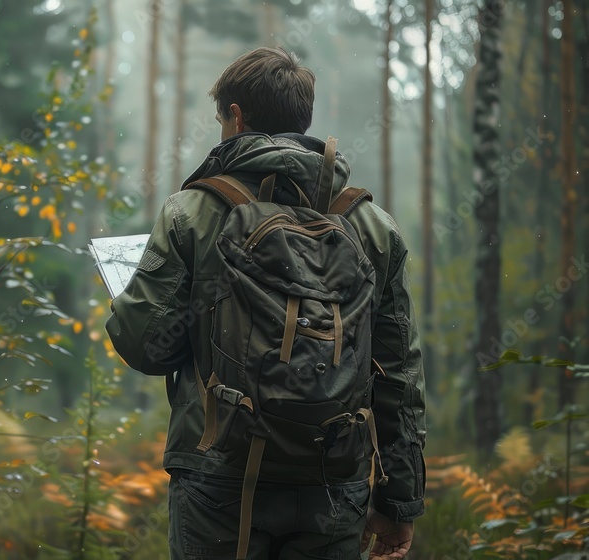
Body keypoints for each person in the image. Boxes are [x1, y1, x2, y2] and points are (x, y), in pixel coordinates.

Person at [104, 47, 426, 560]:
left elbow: (147, 347)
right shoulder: (372, 227)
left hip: (220, 476)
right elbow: (398, 375)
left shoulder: (193, 212)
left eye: (219, 119)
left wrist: (127, 301)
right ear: (305, 119)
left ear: (235, 117)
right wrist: (400, 501)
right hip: (333, 479)